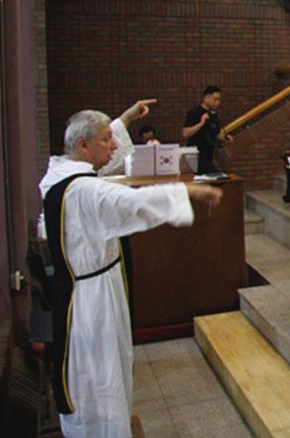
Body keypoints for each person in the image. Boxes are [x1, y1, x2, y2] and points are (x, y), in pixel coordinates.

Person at [39, 106, 222, 438]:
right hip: (94, 300)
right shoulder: (82, 189)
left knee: (101, 371)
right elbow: (131, 201)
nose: (113, 145)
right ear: (82, 145)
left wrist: (126, 119)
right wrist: (189, 190)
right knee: (102, 374)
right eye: (106, 139)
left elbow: (110, 167)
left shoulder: (59, 174)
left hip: (86, 288)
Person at [182, 85, 231, 174]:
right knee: (215, 176)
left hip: (208, 155)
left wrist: (225, 138)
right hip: (196, 156)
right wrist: (201, 124)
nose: (217, 102)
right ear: (206, 98)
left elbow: (216, 134)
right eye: (215, 99)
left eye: (219, 100)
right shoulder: (194, 112)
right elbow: (185, 134)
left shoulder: (213, 114)